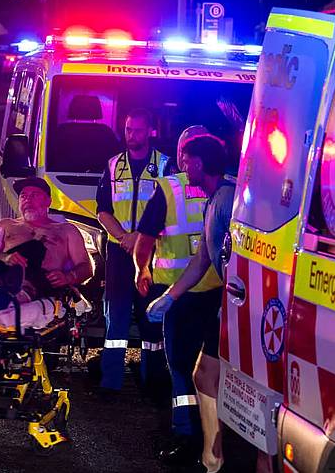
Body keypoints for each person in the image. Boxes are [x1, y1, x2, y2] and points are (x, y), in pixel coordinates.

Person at [134, 128, 227, 470]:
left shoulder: (173, 189)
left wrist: (142, 272)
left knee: (183, 370)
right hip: (218, 296)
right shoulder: (228, 191)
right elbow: (205, 255)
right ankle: (209, 445)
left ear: (199, 161)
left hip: (188, 295)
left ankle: (189, 438)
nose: (184, 166)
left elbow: (146, 239)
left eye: (187, 160)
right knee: (207, 371)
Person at [96, 108, 172, 400]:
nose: (132, 135)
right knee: (115, 319)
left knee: (150, 318)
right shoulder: (114, 165)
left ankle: (151, 381)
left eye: (138, 130)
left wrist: (139, 240)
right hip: (119, 252)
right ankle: (110, 382)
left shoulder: (165, 166)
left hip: (151, 253)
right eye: (128, 129)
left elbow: (169, 212)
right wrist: (125, 238)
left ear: (150, 131)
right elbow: (103, 210)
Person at [0, 177, 92, 329]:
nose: (28, 200)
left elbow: (86, 267)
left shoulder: (66, 231)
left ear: (48, 201)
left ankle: (4, 302)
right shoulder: (6, 225)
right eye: (23, 196)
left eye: (34, 195)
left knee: (32, 267)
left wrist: (68, 277)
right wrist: (5, 257)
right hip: (4, 273)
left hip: (39, 282)